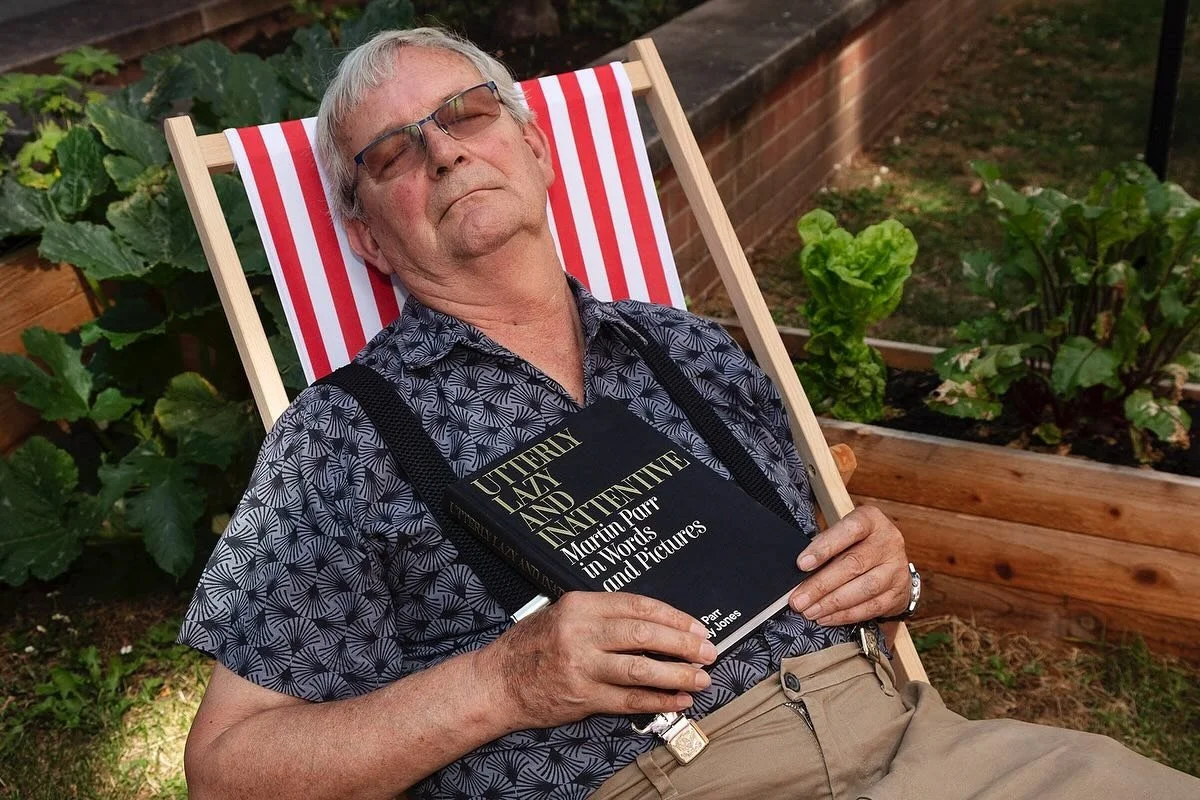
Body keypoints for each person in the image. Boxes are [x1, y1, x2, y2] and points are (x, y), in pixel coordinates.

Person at [178, 27, 1198, 800]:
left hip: (914, 747)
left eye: (467, 114)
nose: (443, 152)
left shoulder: (692, 347)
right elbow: (227, 767)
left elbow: (824, 563)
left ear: (533, 146)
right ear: (366, 235)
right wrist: (504, 681)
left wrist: (892, 572)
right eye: (394, 153)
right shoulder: (341, 438)